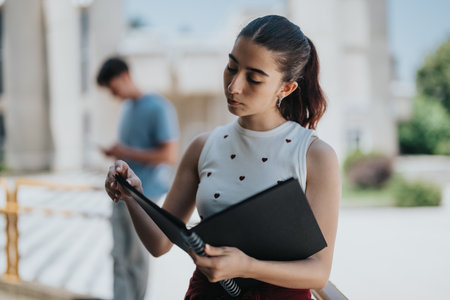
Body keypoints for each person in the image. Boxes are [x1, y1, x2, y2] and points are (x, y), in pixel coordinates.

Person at [105, 15, 340, 300]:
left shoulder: (315, 156)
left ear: (286, 88)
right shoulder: (203, 146)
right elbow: (159, 244)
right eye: (231, 67)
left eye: (254, 78)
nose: (234, 86)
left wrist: (248, 266)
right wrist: (132, 193)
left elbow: (319, 272)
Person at [96, 57, 179, 300]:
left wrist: (124, 150)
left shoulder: (158, 107)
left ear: (125, 77)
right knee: (119, 259)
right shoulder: (127, 109)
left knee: (135, 262)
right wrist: (118, 153)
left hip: (144, 197)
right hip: (121, 196)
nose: (114, 95)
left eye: (114, 89)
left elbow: (169, 154)